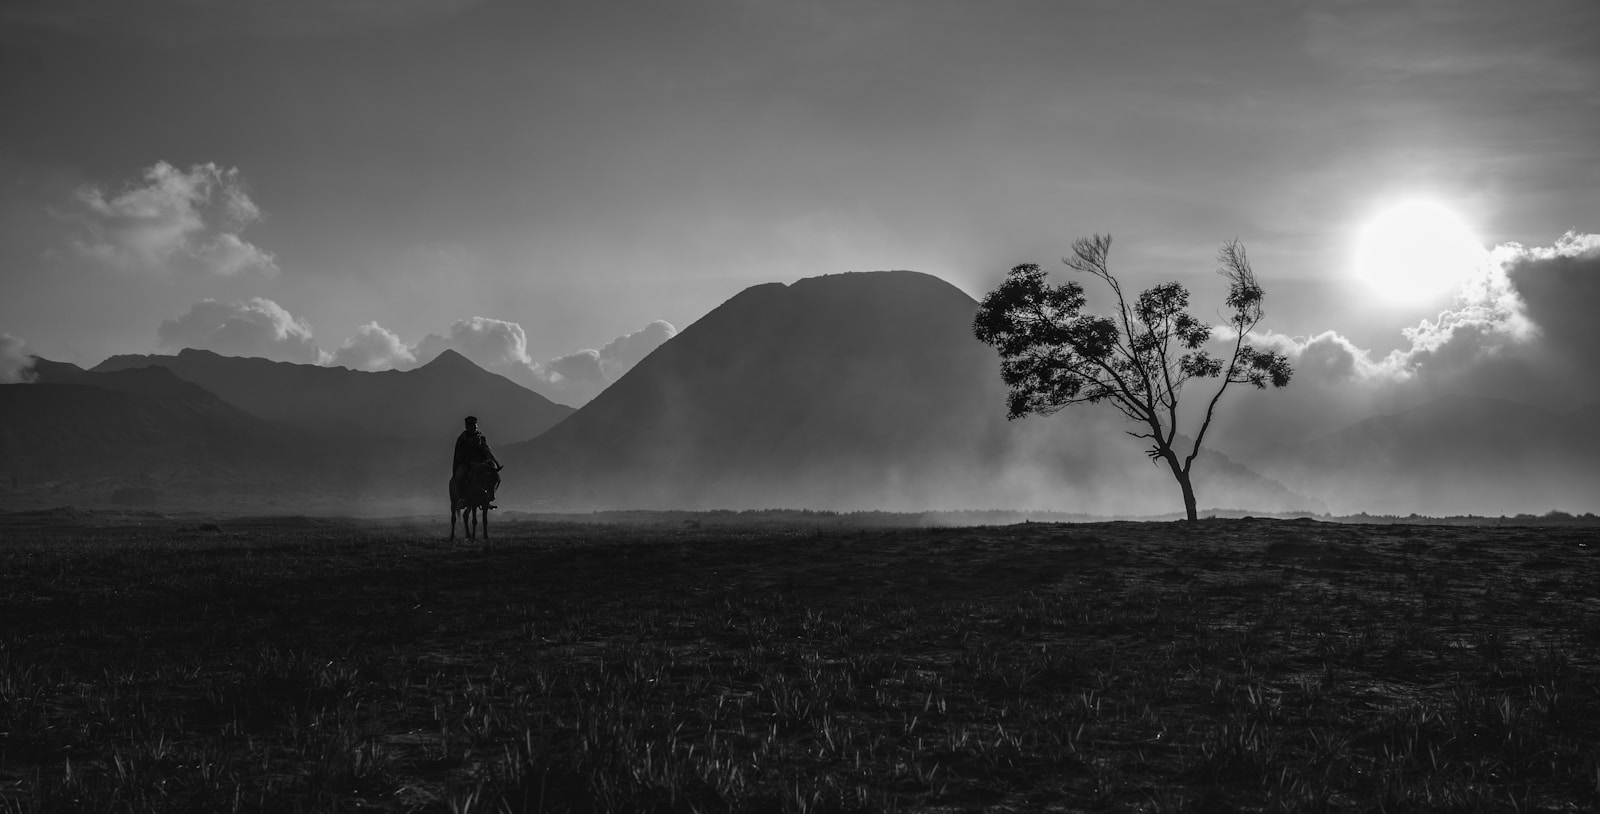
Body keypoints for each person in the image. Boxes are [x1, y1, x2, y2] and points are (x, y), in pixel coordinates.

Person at [451, 415, 501, 503]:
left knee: (494, 477)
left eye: (474, 425)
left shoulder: (481, 438)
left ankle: (489, 497)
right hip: (466, 464)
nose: (472, 427)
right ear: (467, 426)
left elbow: (487, 451)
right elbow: (459, 455)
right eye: (470, 425)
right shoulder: (462, 439)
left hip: (481, 464)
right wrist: (470, 462)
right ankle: (461, 498)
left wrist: (494, 463)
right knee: (459, 476)